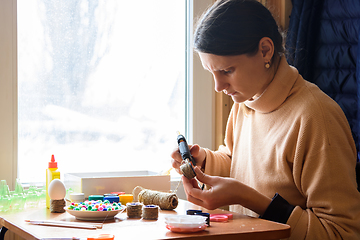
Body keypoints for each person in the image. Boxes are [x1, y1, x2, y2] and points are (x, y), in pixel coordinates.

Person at [170, 0, 360, 239]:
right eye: (212, 73)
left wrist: (248, 198)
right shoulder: (246, 103)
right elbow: (236, 161)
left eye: (227, 71)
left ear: (265, 50)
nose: (219, 87)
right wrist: (204, 162)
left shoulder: (316, 117)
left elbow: (341, 233)